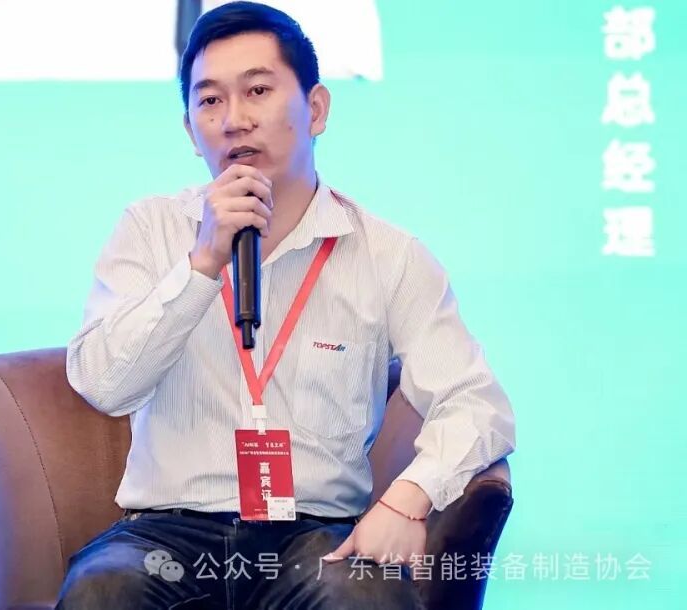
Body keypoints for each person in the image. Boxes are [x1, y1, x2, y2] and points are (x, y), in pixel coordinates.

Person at [61, 2, 515, 608]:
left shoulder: (388, 255)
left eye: (258, 90)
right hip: (168, 533)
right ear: (190, 130)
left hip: (314, 537)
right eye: (210, 100)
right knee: (103, 591)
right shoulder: (149, 229)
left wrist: (409, 498)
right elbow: (103, 386)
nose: (234, 120)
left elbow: (477, 403)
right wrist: (201, 265)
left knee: (365, 598)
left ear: (316, 109)